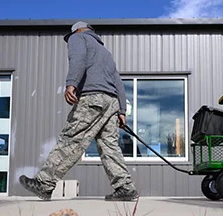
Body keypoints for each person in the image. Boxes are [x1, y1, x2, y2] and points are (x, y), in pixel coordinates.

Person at [19, 21, 139, 201]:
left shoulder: (78, 38)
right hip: (111, 102)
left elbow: (78, 59)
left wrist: (71, 84)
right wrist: (121, 110)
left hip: (92, 97)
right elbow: (118, 82)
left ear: (78, 31)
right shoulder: (105, 53)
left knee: (72, 138)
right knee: (109, 146)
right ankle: (125, 187)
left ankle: (44, 184)